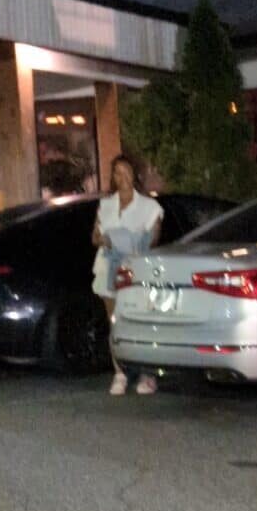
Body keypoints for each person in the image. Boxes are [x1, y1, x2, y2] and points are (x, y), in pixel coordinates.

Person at [93, 154, 163, 396]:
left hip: (136, 271)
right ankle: (120, 372)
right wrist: (107, 240)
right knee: (115, 323)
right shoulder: (106, 205)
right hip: (108, 267)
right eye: (117, 172)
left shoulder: (149, 207)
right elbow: (95, 235)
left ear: (135, 175)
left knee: (141, 321)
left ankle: (147, 373)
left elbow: (153, 238)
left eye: (126, 172)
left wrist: (132, 241)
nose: (122, 177)